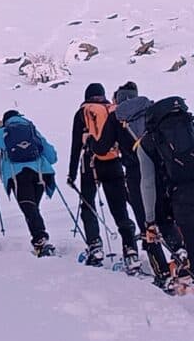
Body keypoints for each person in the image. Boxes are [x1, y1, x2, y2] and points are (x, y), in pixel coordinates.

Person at [90, 81, 173, 285]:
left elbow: (101, 149)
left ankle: (162, 274)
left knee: (147, 224)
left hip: (136, 176)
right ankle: (182, 261)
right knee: (166, 219)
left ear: (118, 98)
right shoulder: (152, 109)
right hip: (162, 171)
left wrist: (91, 141)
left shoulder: (116, 116)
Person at [68, 83, 139, 272]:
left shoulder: (83, 112)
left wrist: (71, 173)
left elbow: (76, 145)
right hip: (113, 162)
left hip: (90, 165)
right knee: (119, 209)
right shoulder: (111, 111)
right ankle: (131, 251)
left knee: (88, 204)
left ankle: (95, 246)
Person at [0, 110, 57, 256]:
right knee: (32, 208)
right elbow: (52, 156)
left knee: (29, 208)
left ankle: (41, 240)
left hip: (18, 175)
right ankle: (40, 239)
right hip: (41, 174)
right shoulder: (31, 129)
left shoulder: (3, 132)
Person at [139, 96, 194, 290]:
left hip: (181, 198)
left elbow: (147, 183)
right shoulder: (189, 124)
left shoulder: (148, 141)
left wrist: (150, 220)